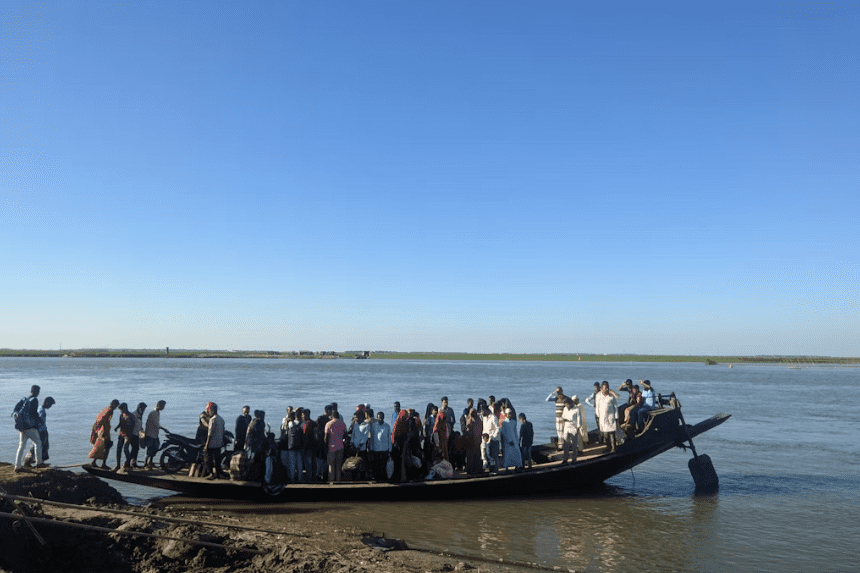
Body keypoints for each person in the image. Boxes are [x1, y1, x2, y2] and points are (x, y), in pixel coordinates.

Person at [13, 385, 44, 472]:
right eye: (38, 391)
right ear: (36, 391)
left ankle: (18, 466)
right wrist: (38, 423)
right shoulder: (34, 400)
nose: (38, 393)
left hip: (22, 427)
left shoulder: (26, 399)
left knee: (21, 446)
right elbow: (33, 414)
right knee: (38, 442)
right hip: (30, 427)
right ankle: (39, 463)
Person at [587, 382, 620, 452]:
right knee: (605, 434)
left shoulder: (611, 396)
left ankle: (614, 448)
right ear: (602, 389)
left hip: (611, 417)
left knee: (611, 433)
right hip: (602, 417)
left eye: (608, 387)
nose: (607, 389)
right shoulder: (598, 396)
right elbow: (597, 407)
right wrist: (598, 416)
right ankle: (608, 447)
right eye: (605, 388)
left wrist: (616, 417)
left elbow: (615, 407)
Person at [89, 399, 119, 469]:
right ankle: (103, 464)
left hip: (102, 431)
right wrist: (103, 430)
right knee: (107, 447)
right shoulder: (109, 410)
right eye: (116, 405)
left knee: (100, 446)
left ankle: (94, 462)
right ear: (113, 404)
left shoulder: (106, 408)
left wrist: (98, 430)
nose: (116, 407)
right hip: (104, 432)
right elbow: (101, 419)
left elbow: (99, 419)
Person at [25, 396, 55, 467]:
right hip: (41, 431)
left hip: (40, 430)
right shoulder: (42, 410)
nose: (50, 406)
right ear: (47, 402)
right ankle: (34, 462)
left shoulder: (39, 408)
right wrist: (40, 431)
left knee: (40, 446)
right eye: (50, 404)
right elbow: (39, 420)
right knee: (40, 446)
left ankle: (34, 461)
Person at [203, 402, 227, 479]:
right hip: (218, 443)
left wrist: (206, 445)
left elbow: (210, 434)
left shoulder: (212, 420)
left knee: (207, 459)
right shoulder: (221, 419)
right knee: (217, 460)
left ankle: (211, 474)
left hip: (212, 444)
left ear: (211, 410)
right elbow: (223, 432)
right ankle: (218, 473)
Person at [324, 411, 347, 483]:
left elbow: (326, 437)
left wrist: (325, 445)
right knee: (338, 466)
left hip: (331, 447)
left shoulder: (328, 424)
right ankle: (338, 481)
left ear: (332, 416)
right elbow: (345, 435)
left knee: (331, 466)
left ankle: (331, 482)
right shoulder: (343, 424)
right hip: (340, 446)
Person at [369, 411, 391, 481]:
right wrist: (371, 448)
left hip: (385, 448)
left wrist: (390, 449)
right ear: (377, 418)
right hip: (376, 448)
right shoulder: (374, 425)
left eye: (381, 418)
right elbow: (372, 438)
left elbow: (389, 438)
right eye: (379, 418)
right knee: (376, 465)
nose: (380, 419)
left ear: (383, 418)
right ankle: (377, 478)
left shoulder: (387, 426)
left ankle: (384, 478)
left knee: (384, 465)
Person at [143, 400, 165, 469]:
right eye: (163, 406)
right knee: (150, 449)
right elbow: (156, 424)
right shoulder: (154, 413)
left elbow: (157, 424)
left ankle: (150, 462)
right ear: (159, 405)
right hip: (150, 434)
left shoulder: (157, 413)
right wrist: (163, 429)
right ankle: (146, 463)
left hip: (154, 434)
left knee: (156, 447)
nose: (163, 407)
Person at [499, 407, 523, 472]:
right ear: (506, 414)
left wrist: (517, 441)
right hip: (507, 442)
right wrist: (509, 440)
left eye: (510, 413)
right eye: (508, 413)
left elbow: (515, 432)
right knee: (507, 454)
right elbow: (504, 433)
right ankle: (506, 468)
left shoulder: (514, 422)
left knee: (517, 452)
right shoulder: (504, 423)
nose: (509, 415)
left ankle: (517, 466)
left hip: (514, 440)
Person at [561, 397, 582, 464]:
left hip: (573, 427)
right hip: (566, 427)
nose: (566, 406)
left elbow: (579, 419)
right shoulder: (565, 409)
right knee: (566, 444)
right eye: (565, 404)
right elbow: (563, 417)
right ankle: (565, 459)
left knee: (574, 444)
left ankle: (574, 459)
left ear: (571, 403)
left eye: (567, 404)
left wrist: (578, 428)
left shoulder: (576, 409)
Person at [114, 403, 135, 471]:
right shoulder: (121, 415)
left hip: (128, 435)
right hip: (121, 435)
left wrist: (129, 436)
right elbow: (120, 423)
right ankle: (118, 465)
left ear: (125, 408)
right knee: (118, 450)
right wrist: (116, 428)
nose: (120, 411)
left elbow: (133, 426)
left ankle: (128, 463)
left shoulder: (131, 416)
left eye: (121, 409)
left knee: (126, 449)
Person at [480, 405, 500, 472]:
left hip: (493, 439)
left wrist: (493, 437)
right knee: (488, 456)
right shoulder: (484, 418)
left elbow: (497, 428)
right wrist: (483, 438)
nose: (481, 413)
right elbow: (484, 429)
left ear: (486, 410)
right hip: (486, 440)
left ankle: (495, 471)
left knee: (494, 456)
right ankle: (490, 470)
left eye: (482, 411)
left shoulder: (493, 417)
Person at [464, 408, 483, 475]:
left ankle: (477, 470)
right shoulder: (469, 419)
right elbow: (467, 428)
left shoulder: (478, 420)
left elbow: (480, 429)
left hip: (477, 440)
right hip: (471, 441)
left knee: (477, 455)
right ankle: (470, 470)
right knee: (470, 456)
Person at [127, 402, 146, 468]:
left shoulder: (140, 415)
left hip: (137, 434)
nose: (143, 411)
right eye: (143, 409)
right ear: (140, 408)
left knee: (136, 449)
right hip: (133, 435)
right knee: (134, 449)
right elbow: (130, 426)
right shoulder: (134, 415)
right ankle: (128, 463)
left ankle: (133, 463)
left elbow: (139, 426)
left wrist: (142, 434)